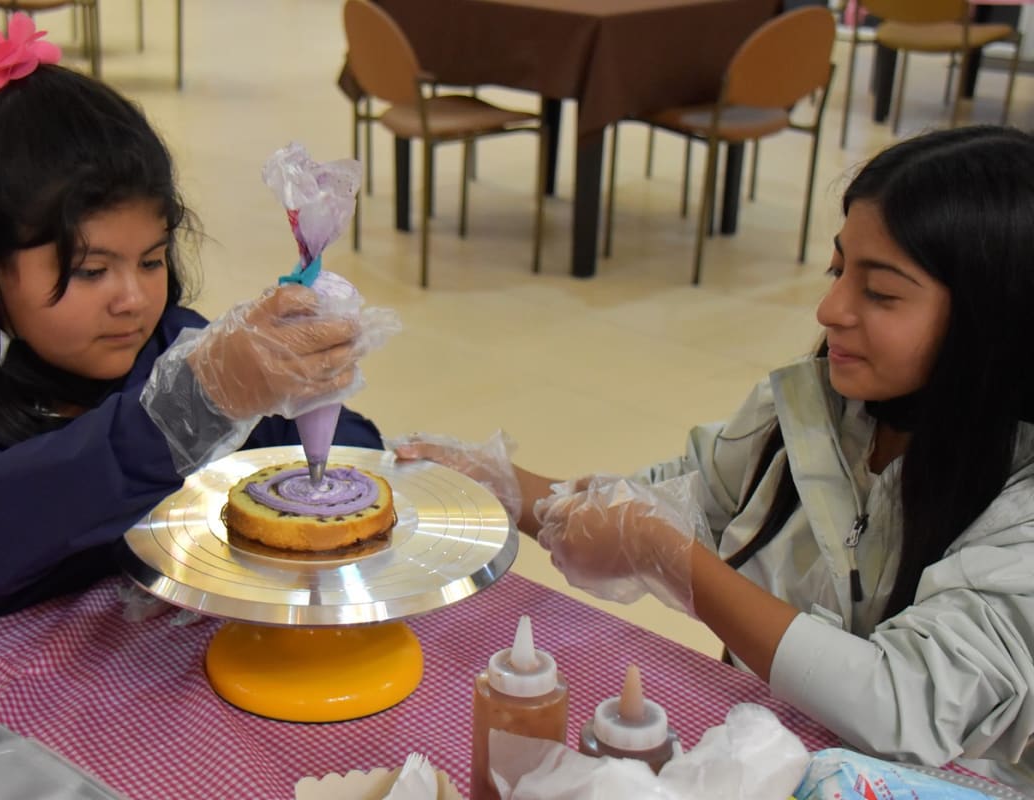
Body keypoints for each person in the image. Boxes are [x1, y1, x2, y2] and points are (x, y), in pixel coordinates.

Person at [394, 125, 1034, 786]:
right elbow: (667, 503)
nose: (830, 308)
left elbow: (900, 702)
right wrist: (492, 483)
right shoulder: (817, 412)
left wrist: (675, 560)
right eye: (838, 269)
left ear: (993, 320)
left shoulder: (1021, 507)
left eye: (880, 293)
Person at [0, 16, 384, 667]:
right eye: (91, 271)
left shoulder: (166, 344)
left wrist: (313, 399)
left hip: (117, 677)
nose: (133, 299)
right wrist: (188, 411)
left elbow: (338, 468)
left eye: (151, 261)